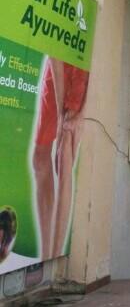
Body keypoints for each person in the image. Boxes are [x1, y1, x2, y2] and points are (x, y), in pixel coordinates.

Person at [32, 58, 90, 259]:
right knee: (39, 156)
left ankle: (54, 257)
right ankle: (46, 253)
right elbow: (55, 55)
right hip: (57, 66)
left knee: (64, 156)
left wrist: (82, 114)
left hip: (82, 66)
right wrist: (58, 116)